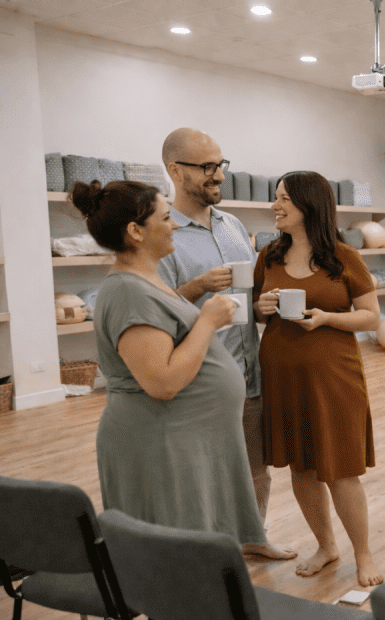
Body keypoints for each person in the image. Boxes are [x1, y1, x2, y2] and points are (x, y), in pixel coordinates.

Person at [73, 179, 266, 547]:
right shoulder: (128, 291)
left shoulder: (146, 281)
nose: (175, 224)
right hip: (160, 442)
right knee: (174, 556)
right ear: (135, 231)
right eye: (165, 218)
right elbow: (162, 382)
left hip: (179, 439)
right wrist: (208, 320)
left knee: (192, 549)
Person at [157, 128, 294, 560]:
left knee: (255, 467)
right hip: (200, 379)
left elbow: (246, 300)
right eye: (207, 167)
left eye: (220, 164)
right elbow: (154, 311)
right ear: (175, 170)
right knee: (202, 473)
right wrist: (197, 286)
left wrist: (262, 306)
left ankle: (254, 537)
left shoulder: (232, 225)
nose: (218, 175)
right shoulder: (162, 234)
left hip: (248, 372)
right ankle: (203, 553)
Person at [253, 170, 383, 586]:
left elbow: (372, 317)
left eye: (284, 199)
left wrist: (327, 318)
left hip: (333, 376)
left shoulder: (345, 257)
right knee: (301, 467)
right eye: (276, 197)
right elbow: (257, 311)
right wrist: (262, 308)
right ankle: (326, 547)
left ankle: (363, 555)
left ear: (309, 205)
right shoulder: (269, 255)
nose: (275, 206)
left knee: (341, 469)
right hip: (282, 375)